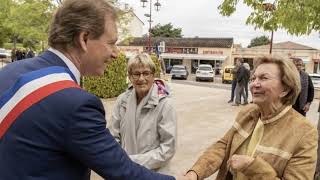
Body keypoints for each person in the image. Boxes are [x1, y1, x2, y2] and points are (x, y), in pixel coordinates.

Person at [0, 0, 177, 179]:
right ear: (84, 39)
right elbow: (124, 173)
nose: (116, 53)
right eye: (111, 43)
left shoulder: (8, 72)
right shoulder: (76, 103)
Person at [183, 56, 317, 180]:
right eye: (254, 78)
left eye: (263, 78)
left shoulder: (305, 133)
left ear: (285, 89)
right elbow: (224, 145)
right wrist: (194, 173)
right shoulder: (248, 112)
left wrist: (252, 166)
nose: (254, 84)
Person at [110, 53, 177, 170]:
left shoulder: (165, 104)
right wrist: (119, 160)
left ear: (153, 75)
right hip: (124, 171)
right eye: (136, 74)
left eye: (146, 73)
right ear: (130, 77)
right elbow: (112, 135)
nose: (141, 78)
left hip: (152, 173)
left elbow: (168, 148)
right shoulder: (122, 100)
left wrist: (132, 162)